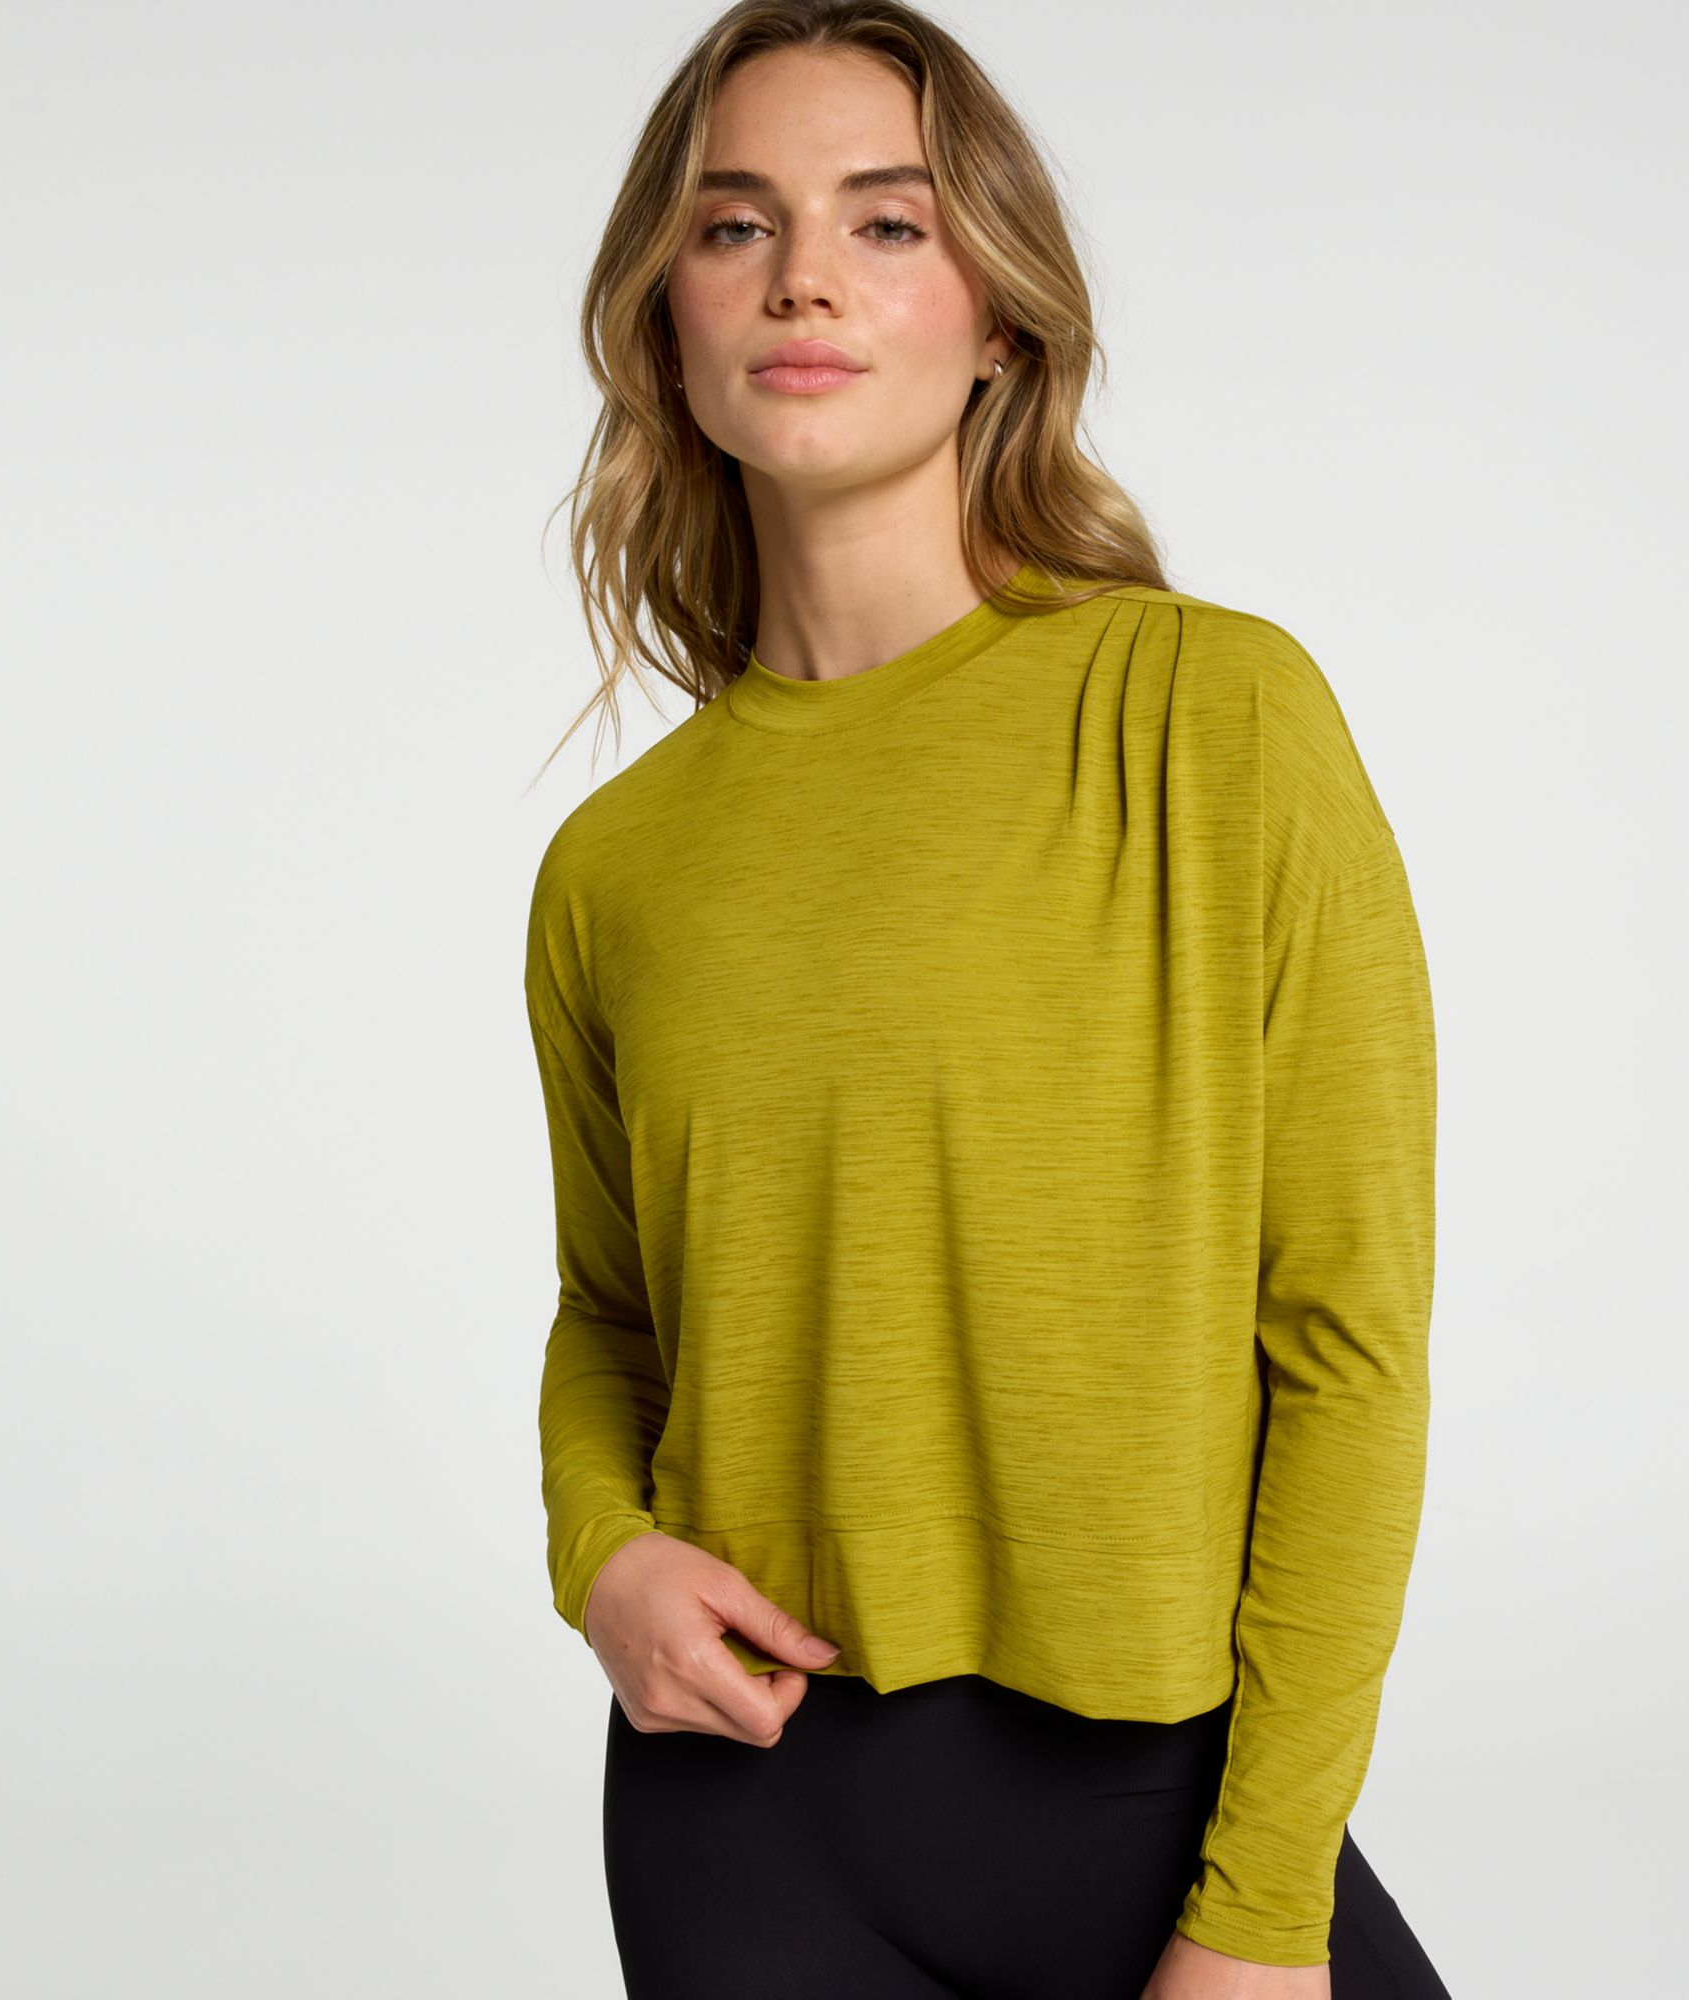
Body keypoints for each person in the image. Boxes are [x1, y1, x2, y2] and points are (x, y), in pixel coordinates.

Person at [521, 6, 1454, 1996]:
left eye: (887, 223)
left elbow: (1345, 1348)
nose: (802, 280)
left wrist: (1264, 1906)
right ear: (667, 323)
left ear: (1001, 319)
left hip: (1166, 1808)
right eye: (734, 225)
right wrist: (598, 1552)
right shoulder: (617, 865)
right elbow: (613, 1317)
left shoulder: (1210, 718)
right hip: (738, 1827)